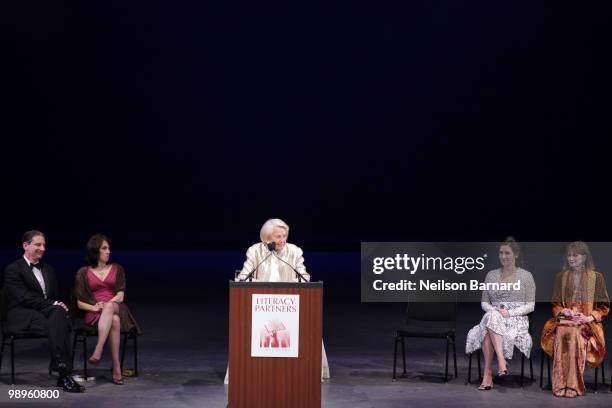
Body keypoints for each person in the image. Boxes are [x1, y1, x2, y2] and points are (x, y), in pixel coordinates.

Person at [226, 218, 330, 383]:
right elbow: (245, 276)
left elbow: (303, 275)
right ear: (267, 238)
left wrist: (299, 284)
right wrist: (241, 282)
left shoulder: (294, 251)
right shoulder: (255, 251)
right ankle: (248, 369)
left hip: (290, 305)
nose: (282, 240)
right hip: (260, 306)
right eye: (278, 237)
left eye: (284, 236)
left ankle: (301, 370)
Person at [3, 231, 85, 392]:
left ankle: (62, 371)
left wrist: (57, 304)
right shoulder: (13, 269)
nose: (43, 248)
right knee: (60, 320)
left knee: (58, 316)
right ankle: (64, 373)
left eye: (44, 245)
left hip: (45, 314)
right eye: (38, 244)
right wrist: (54, 305)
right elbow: (23, 298)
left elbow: (53, 296)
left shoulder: (48, 269)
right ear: (25, 245)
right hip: (22, 314)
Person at [541, 241, 610, 398]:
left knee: (573, 333)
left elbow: (604, 307)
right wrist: (562, 311)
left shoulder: (596, 278)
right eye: (569, 255)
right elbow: (556, 304)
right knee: (563, 330)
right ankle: (560, 384)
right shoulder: (562, 277)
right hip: (566, 321)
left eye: (575, 255)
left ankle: (573, 385)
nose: (571, 258)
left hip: (587, 324)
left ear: (584, 257)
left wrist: (588, 317)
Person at [465, 238, 536, 390]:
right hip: (494, 316)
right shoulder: (491, 275)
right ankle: (501, 361)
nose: (503, 256)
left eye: (507, 253)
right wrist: (495, 311)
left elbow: (531, 305)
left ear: (516, 254)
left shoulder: (526, 276)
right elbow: (484, 302)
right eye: (501, 253)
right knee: (491, 318)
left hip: (515, 319)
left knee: (487, 327)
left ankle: (488, 375)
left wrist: (508, 313)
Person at [74, 234, 141, 385]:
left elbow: (121, 295)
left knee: (112, 310)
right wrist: (94, 307)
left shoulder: (117, 268)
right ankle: (117, 368)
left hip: (116, 307)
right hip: (94, 313)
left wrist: (107, 305)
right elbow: (79, 303)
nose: (108, 251)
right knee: (114, 321)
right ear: (95, 251)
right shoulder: (83, 273)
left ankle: (98, 349)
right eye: (104, 248)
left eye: (109, 248)